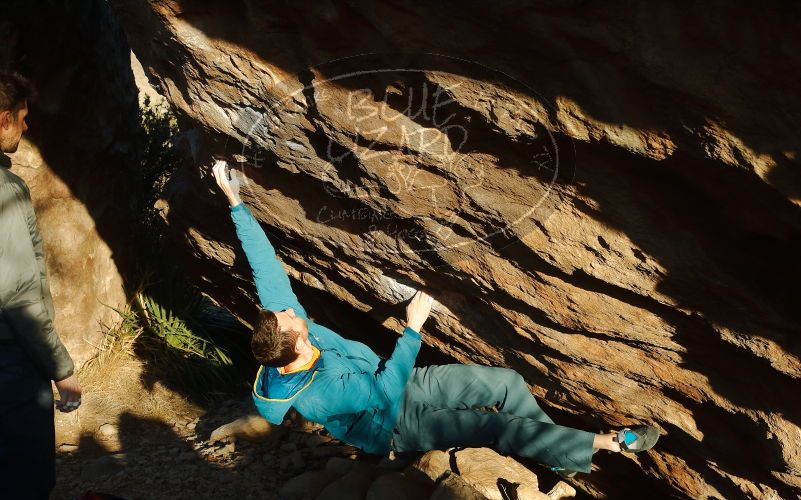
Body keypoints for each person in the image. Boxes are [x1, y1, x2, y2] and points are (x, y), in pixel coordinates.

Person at [212, 159, 658, 476]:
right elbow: (383, 393)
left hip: (399, 380)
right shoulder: (315, 395)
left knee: (505, 383)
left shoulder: (285, 335)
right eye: (290, 318)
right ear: (297, 344)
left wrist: (235, 201)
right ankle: (609, 444)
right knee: (491, 425)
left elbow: (264, 268)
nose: (290, 310)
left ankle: (559, 454)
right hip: (391, 423)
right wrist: (412, 329)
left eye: (285, 311)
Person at [0, 72, 82, 500]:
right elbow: (16, 292)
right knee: (22, 480)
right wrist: (61, 368)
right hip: (8, 367)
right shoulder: (4, 191)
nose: (26, 129)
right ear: (4, 119)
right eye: (23, 119)